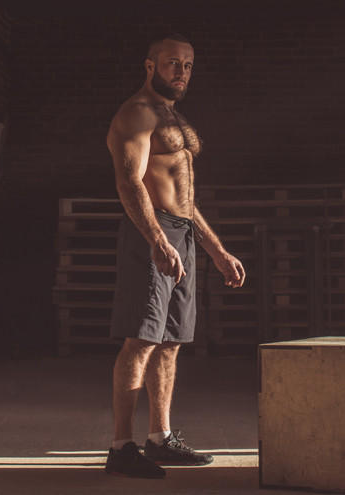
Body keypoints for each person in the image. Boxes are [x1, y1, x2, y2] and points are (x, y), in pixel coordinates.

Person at [104, 33, 246, 478]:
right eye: (171, 63)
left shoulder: (174, 118)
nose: (181, 72)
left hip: (181, 233)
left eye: (187, 65)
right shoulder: (137, 114)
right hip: (154, 234)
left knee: (170, 343)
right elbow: (131, 184)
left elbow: (183, 201)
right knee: (142, 338)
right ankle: (121, 447)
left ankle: (160, 437)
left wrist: (216, 249)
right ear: (150, 66)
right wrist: (156, 241)